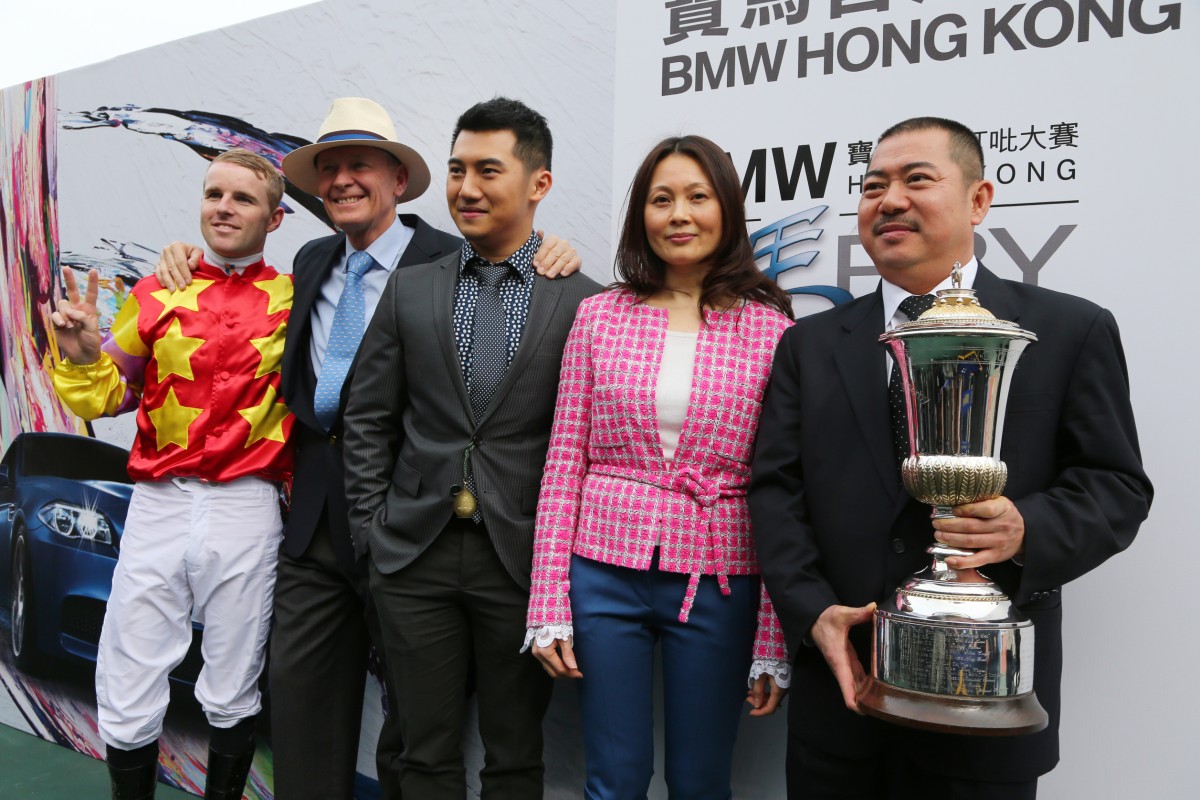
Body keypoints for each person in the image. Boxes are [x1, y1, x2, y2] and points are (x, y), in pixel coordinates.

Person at [155, 97, 581, 800]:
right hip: (319, 522)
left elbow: (515, 287)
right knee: (303, 709)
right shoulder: (312, 259)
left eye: (360, 165)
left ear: (398, 180)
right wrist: (184, 257)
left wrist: (554, 250)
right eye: (329, 170)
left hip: (419, 528)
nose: (342, 181)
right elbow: (242, 293)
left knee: (417, 732)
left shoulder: (452, 257)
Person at [748, 116, 1153, 799]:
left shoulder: (1067, 329)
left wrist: (1025, 528)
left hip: (985, 704)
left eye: (917, 179)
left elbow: (1116, 487)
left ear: (979, 199)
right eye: (873, 186)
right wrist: (813, 612)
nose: (890, 200)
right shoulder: (808, 344)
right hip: (842, 700)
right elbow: (775, 490)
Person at [342, 96, 601, 799]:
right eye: (457, 170)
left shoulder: (583, 301)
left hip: (521, 561)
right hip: (412, 556)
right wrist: (372, 532)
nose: (466, 187)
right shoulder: (411, 288)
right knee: (422, 754)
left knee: (514, 755)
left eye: (489, 170)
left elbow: (589, 442)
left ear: (539, 184)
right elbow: (368, 417)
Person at [525, 134, 793, 799]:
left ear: (726, 209)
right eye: (661, 199)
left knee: (701, 780)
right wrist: (547, 599)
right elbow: (564, 461)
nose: (679, 215)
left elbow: (783, 490)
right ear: (641, 214)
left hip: (720, 574)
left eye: (698, 197)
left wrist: (772, 636)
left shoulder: (771, 331)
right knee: (612, 778)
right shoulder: (599, 317)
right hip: (602, 571)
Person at [51, 148, 292, 800]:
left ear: (274, 218)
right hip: (158, 502)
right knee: (129, 671)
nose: (224, 208)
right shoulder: (156, 290)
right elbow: (107, 397)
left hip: (247, 505)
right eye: (214, 194)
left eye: (243, 198)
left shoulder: (295, 297)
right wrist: (81, 357)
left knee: (234, 680)